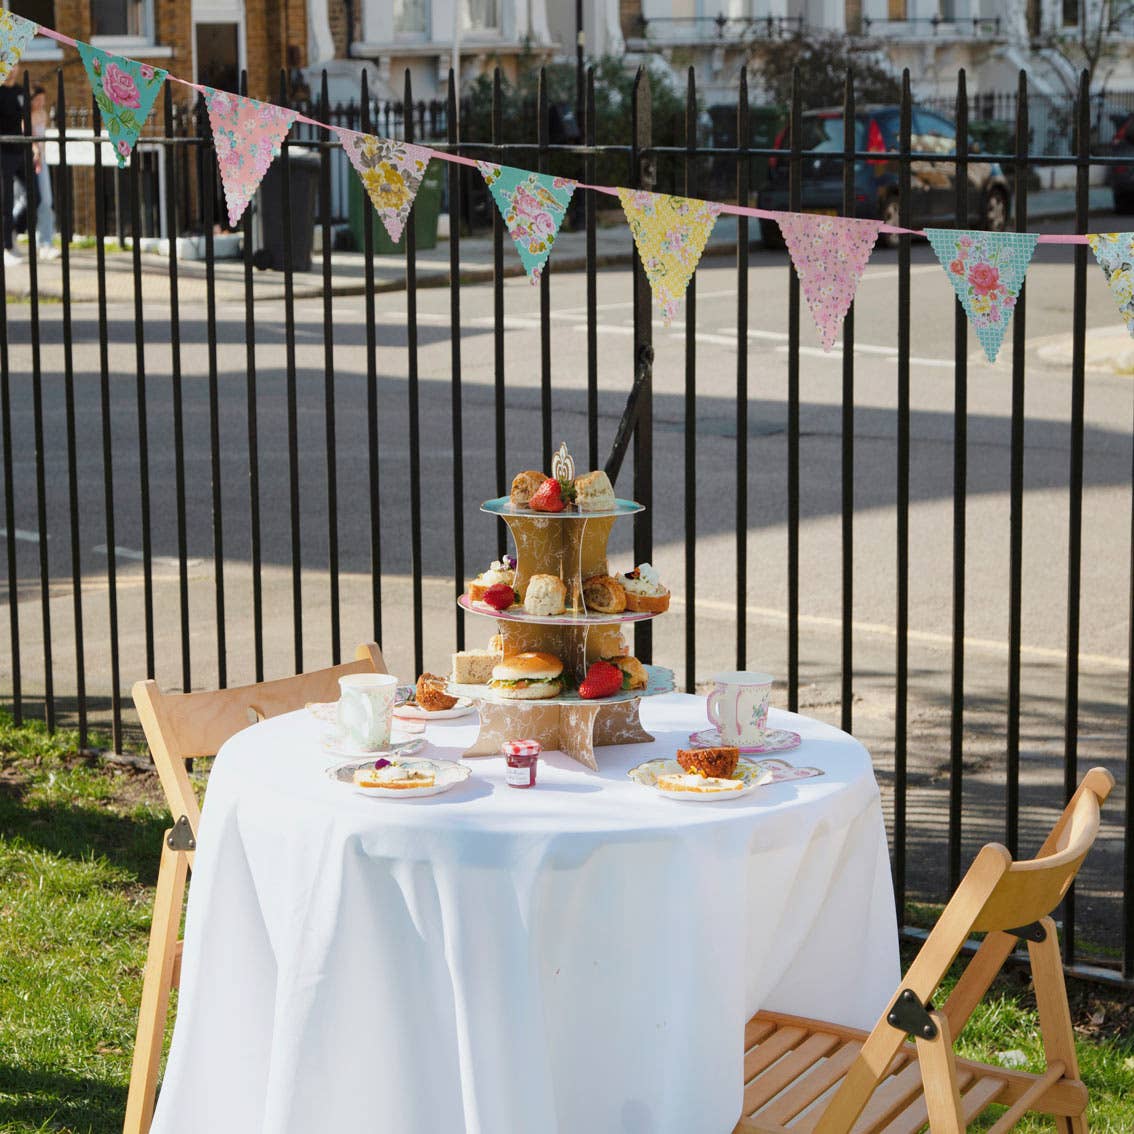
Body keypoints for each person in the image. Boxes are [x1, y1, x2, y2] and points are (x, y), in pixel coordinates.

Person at [0, 67, 28, 269]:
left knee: (35, 197)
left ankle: (13, 231)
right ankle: (6, 247)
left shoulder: (21, 91)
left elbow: (27, 119)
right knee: (6, 202)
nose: (13, 69)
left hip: (21, 150)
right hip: (3, 152)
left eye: (15, 65)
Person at [30, 86, 57, 259]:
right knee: (26, 201)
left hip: (42, 160)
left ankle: (45, 242)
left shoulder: (43, 114)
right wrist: (36, 153)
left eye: (43, 99)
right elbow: (31, 138)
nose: (41, 103)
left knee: (46, 200)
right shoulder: (26, 115)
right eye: (37, 99)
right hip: (30, 161)